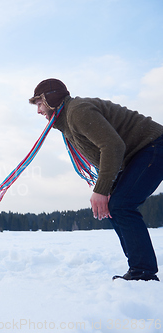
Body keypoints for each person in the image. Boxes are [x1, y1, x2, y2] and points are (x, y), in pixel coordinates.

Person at [27, 78, 162, 281]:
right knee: (116, 206)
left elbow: (113, 146)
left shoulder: (78, 112)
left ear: (52, 98)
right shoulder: (68, 122)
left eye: (39, 103)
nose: (38, 110)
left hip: (152, 146)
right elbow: (104, 154)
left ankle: (143, 272)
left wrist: (102, 189)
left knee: (122, 206)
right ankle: (140, 270)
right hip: (139, 154)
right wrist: (108, 189)